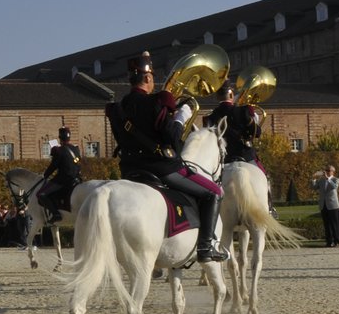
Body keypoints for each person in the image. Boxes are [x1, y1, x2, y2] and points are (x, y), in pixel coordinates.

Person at [105, 51, 229, 263]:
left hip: (129, 169)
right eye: (152, 78)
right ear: (147, 78)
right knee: (214, 191)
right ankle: (206, 246)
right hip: (162, 169)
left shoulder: (118, 109)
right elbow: (172, 138)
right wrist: (181, 117)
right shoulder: (156, 102)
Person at [35, 126, 83, 223]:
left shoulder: (58, 150)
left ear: (60, 138)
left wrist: (45, 175)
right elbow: (77, 162)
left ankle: (56, 214)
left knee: (41, 194)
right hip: (77, 178)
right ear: (69, 138)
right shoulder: (76, 149)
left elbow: (53, 166)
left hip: (63, 180)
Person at [311, 164, 339, 247]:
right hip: (323, 205)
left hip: (333, 205)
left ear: (333, 172)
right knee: (327, 224)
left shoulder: (336, 179)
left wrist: (328, 178)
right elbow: (314, 187)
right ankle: (329, 241)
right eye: (326, 170)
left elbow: (334, 186)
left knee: (334, 224)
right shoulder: (321, 180)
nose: (327, 172)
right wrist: (313, 179)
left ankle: (337, 241)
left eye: (329, 170)